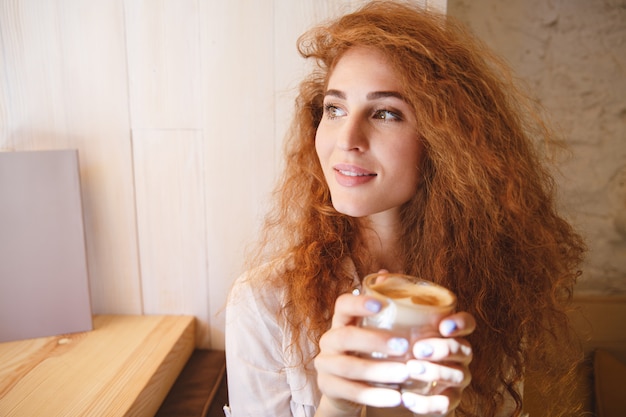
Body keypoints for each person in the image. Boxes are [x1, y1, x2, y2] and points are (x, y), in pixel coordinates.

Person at [224, 1, 586, 416]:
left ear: (445, 141)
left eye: (385, 113)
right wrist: (338, 406)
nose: (347, 138)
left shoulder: (495, 289)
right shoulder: (263, 304)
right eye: (334, 108)